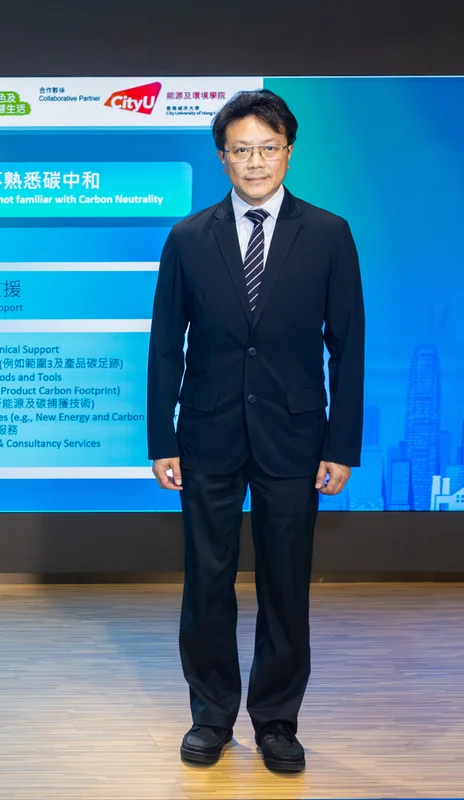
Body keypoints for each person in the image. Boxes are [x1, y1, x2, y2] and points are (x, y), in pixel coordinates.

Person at [146, 90, 364, 773]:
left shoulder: (328, 234)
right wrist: (162, 438)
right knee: (207, 581)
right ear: (222, 157)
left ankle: (276, 721)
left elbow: (348, 346)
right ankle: (211, 716)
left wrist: (341, 444)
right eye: (241, 150)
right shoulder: (188, 237)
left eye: (268, 148)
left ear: (288, 152)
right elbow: (165, 346)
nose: (255, 162)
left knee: (286, 583)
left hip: (295, 437)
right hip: (206, 433)